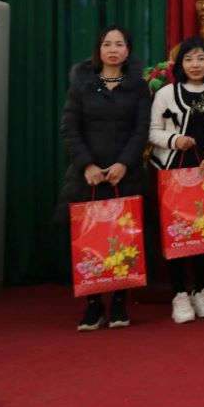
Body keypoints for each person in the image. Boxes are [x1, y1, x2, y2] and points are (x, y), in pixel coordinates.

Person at [58, 26, 151, 331]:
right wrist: (86, 165)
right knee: (91, 239)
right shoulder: (82, 84)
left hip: (126, 173)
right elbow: (70, 128)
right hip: (89, 176)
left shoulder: (138, 86)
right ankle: (94, 305)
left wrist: (125, 163)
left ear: (128, 50)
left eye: (119, 44)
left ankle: (121, 302)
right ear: (98, 50)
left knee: (124, 237)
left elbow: (142, 130)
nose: (113, 49)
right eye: (106, 44)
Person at [149, 35, 204, 325]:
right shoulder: (166, 93)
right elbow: (152, 130)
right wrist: (174, 139)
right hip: (173, 172)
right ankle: (179, 294)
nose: (195, 64)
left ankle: (202, 291)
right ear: (180, 63)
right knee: (177, 234)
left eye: (201, 58)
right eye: (189, 59)